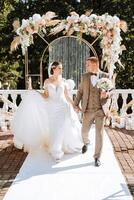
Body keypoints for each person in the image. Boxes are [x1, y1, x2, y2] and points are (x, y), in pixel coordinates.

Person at [11, 61, 82, 162]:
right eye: (59, 68)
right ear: (54, 69)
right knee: (54, 128)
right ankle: (56, 148)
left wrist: (75, 105)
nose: (61, 70)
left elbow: (66, 96)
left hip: (63, 107)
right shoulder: (47, 81)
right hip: (52, 109)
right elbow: (46, 96)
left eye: (61, 68)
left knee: (60, 127)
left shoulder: (63, 81)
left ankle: (56, 152)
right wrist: (35, 93)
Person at [73, 57, 111, 167]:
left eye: (88, 64)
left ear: (95, 64)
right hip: (87, 110)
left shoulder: (105, 76)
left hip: (100, 110)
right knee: (84, 132)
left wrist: (106, 94)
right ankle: (86, 142)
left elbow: (111, 91)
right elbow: (80, 92)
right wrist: (75, 104)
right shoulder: (84, 77)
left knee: (99, 134)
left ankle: (97, 157)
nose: (86, 66)